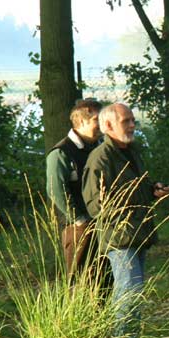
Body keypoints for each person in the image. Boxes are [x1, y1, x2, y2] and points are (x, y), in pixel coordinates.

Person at [82, 103, 169, 337]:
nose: (132, 125)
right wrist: (128, 211)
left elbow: (134, 187)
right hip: (120, 239)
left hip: (138, 234)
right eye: (126, 121)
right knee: (128, 293)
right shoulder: (99, 158)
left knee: (134, 292)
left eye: (133, 121)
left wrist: (153, 190)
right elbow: (95, 206)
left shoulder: (130, 151)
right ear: (108, 125)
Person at [46, 98, 103, 278]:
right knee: (81, 281)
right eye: (97, 121)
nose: (102, 125)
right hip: (78, 228)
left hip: (103, 224)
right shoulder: (61, 153)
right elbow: (56, 190)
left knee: (105, 278)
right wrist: (79, 219)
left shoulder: (100, 149)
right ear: (82, 121)